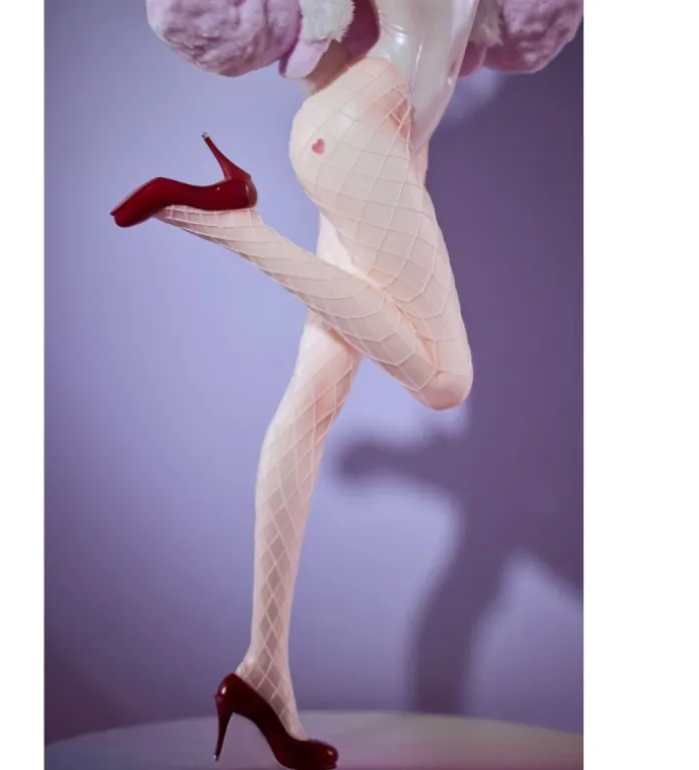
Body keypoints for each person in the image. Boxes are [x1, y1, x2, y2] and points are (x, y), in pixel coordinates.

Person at [111, 2, 582, 768]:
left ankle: (263, 670)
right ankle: (230, 222)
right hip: (360, 137)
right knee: (446, 381)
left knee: (310, 400)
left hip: (384, 143)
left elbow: (507, 37)